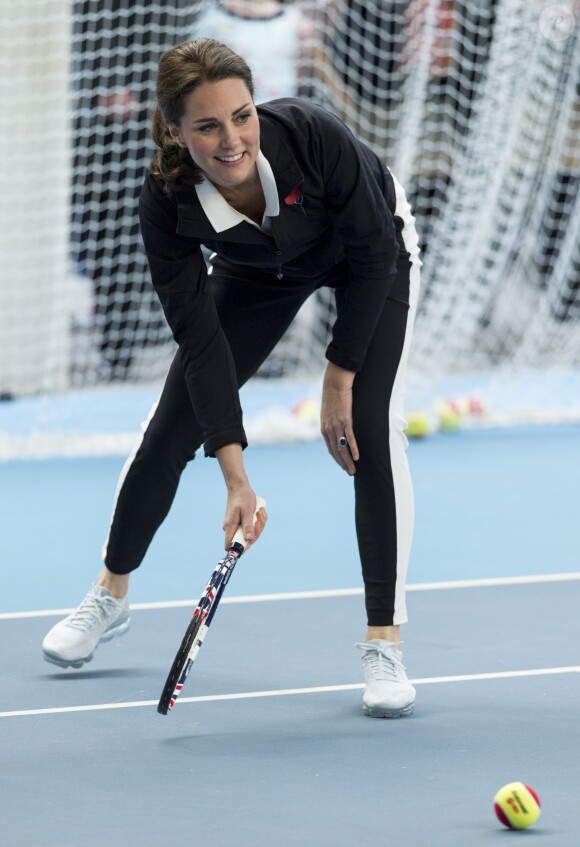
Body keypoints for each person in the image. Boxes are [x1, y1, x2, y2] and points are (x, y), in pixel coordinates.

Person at [42, 38, 422, 719]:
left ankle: (382, 639)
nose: (232, 139)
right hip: (256, 271)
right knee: (169, 428)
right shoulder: (166, 203)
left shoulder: (312, 137)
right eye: (208, 126)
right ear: (175, 131)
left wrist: (339, 375)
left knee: (369, 423)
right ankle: (111, 591)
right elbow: (201, 342)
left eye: (241, 116)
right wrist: (235, 475)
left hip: (371, 256)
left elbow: (374, 256)